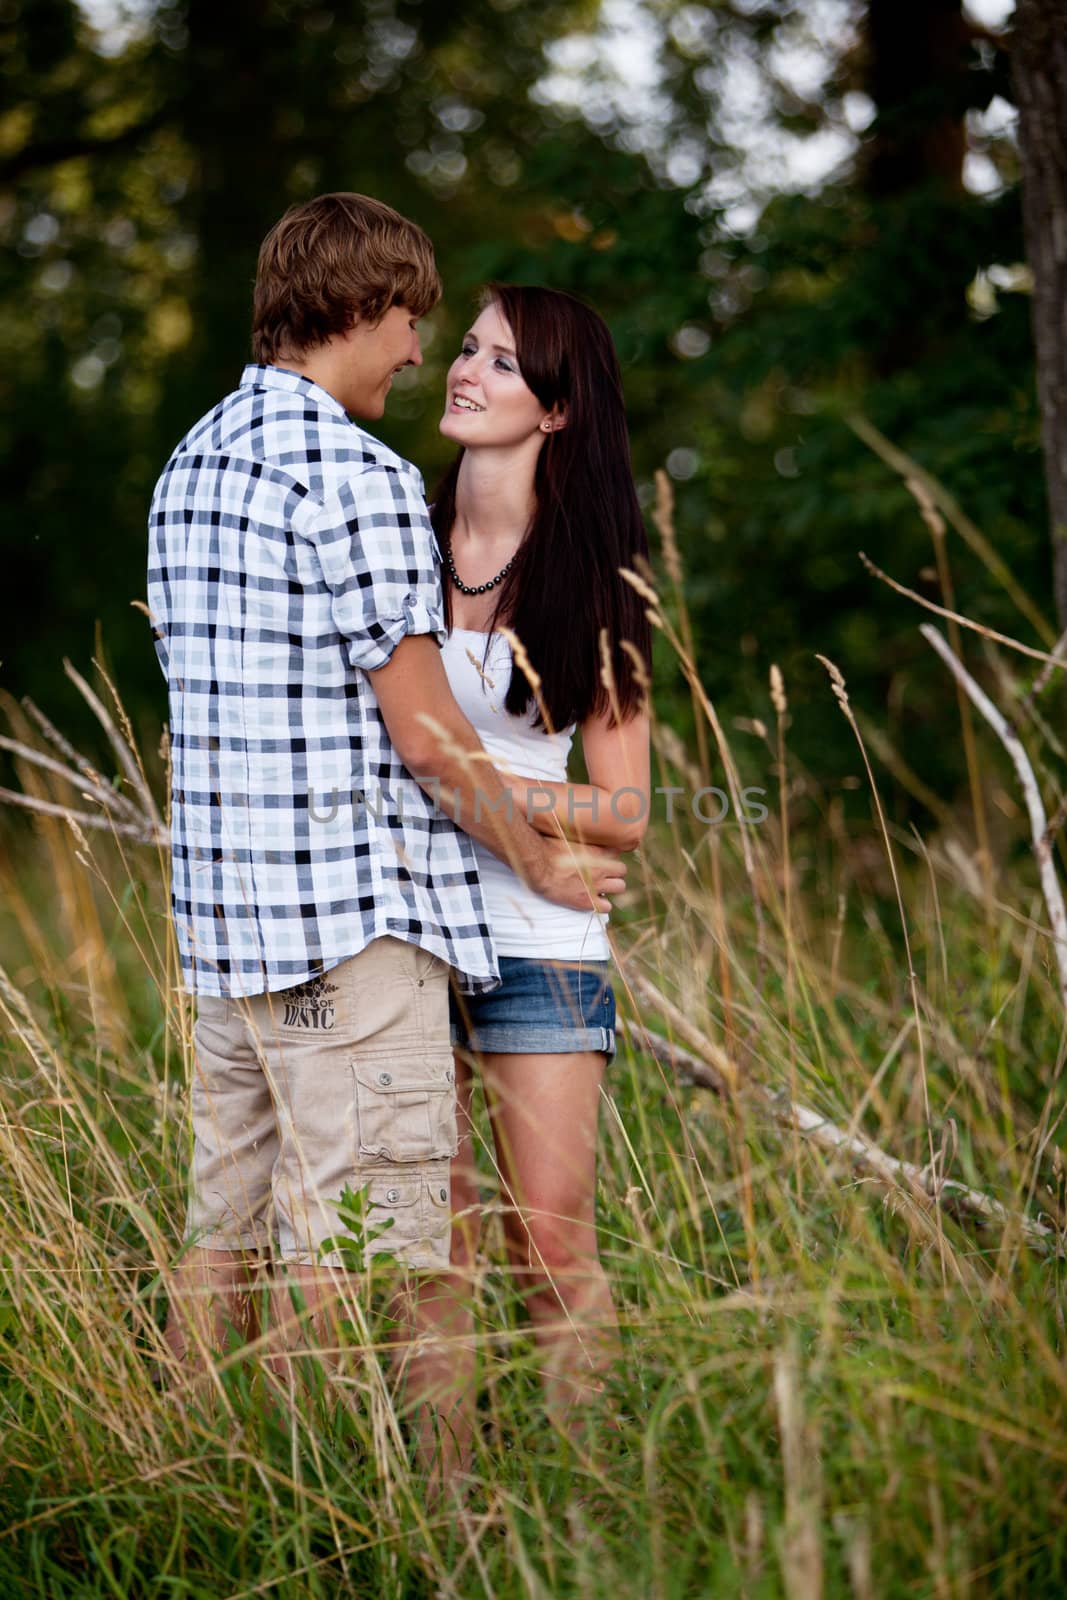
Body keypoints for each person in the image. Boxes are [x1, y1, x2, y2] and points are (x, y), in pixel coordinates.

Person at [145, 195, 626, 1390]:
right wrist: (534, 846)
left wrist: (540, 837)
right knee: (392, 1252)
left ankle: (195, 1471)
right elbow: (419, 734)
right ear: (362, 308)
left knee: (243, 1231)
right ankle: (396, 1520)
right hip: (362, 922)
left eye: (475, 348)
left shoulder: (190, 458)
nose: (427, 355)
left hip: (282, 927)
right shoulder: (364, 483)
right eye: (423, 324)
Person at [409, 284, 651, 1473]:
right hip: (393, 927)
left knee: (547, 1242)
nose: (464, 370)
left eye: (502, 364)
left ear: (555, 411)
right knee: (432, 1249)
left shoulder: (592, 580)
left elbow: (625, 809)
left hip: (536, 939)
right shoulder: (389, 534)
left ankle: (586, 1504)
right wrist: (448, 775)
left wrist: (474, 785)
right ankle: (446, 1516)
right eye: (464, 349)